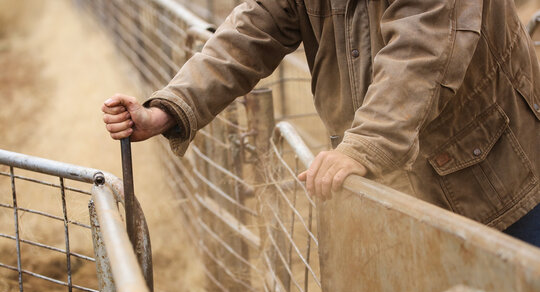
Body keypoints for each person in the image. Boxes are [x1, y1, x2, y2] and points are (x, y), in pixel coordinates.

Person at [102, 0, 540, 245]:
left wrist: (364, 144)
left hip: (492, 174)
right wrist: (169, 107)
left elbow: (423, 48)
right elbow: (254, 29)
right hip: (393, 185)